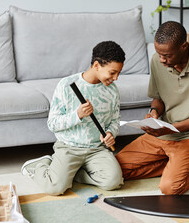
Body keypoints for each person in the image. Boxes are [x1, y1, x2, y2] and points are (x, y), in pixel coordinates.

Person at [115, 21, 189, 195]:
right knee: (115, 171)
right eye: (158, 54)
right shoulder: (157, 61)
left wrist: (175, 128)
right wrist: (154, 112)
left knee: (170, 188)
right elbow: (158, 98)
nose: (161, 59)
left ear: (183, 46)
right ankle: (173, 165)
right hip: (164, 132)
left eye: (167, 55)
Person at [21, 41, 125, 195]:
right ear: (96, 65)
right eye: (112, 72)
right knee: (55, 188)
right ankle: (42, 164)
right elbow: (53, 124)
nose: (116, 78)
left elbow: (115, 120)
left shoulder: (112, 90)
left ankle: (71, 173)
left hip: (96, 149)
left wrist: (110, 133)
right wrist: (77, 115)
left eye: (118, 73)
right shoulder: (67, 85)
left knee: (113, 181)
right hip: (69, 147)